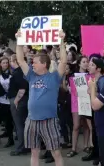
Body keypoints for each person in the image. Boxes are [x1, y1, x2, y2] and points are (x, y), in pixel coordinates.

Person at [15, 30, 67, 166]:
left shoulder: (53, 77)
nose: (32, 64)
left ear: (44, 64)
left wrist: (61, 42)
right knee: (34, 152)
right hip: (31, 120)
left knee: (56, 153)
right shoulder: (31, 76)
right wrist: (19, 41)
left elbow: (63, 62)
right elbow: (20, 60)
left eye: (35, 62)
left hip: (49, 121)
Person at [82, 56, 104, 165]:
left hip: (100, 111)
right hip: (94, 109)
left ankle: (100, 156)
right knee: (94, 131)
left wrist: (92, 91)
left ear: (98, 69)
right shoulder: (94, 78)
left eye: (92, 65)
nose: (89, 66)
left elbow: (103, 98)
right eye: (89, 64)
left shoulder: (102, 80)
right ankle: (95, 152)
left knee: (99, 134)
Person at [67, 56, 92, 158]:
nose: (86, 64)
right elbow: (73, 91)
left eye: (87, 62)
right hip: (76, 103)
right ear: (79, 64)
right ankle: (74, 148)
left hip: (87, 102)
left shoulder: (91, 76)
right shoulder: (73, 76)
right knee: (76, 126)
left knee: (86, 125)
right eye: (84, 62)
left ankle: (86, 145)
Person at [7, 54, 29, 156]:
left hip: (19, 101)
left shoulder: (18, 73)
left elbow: (22, 88)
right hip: (22, 100)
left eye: (10, 61)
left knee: (19, 125)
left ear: (14, 61)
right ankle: (25, 145)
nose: (10, 63)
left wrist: (16, 100)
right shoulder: (21, 71)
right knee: (22, 124)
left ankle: (21, 147)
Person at [0, 56, 14, 148]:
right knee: (7, 121)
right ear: (0, 64)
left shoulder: (12, 74)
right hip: (2, 101)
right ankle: (10, 139)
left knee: (15, 121)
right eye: (3, 63)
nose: (5, 64)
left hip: (12, 100)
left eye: (6, 62)